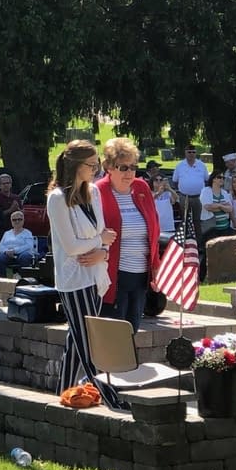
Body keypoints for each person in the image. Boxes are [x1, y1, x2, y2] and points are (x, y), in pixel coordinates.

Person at [46, 139, 121, 409]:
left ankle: (62, 395)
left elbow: (103, 237)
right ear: (77, 166)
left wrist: (102, 250)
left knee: (75, 344)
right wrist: (99, 242)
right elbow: (71, 246)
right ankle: (111, 399)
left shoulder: (93, 194)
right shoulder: (57, 199)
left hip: (95, 275)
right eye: (92, 165)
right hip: (74, 280)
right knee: (89, 340)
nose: (96, 170)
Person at [95, 138, 161, 333]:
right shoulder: (97, 191)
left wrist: (156, 268)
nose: (130, 173)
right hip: (113, 276)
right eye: (123, 168)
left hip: (140, 276)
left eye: (133, 167)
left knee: (132, 331)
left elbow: (154, 230)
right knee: (114, 336)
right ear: (109, 167)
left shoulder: (142, 188)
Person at [171, 144, 208, 227]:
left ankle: (198, 239)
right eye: (189, 152)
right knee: (185, 220)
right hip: (184, 197)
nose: (191, 154)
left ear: (196, 153)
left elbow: (206, 180)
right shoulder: (179, 166)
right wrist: (182, 191)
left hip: (199, 197)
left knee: (198, 220)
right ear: (185, 153)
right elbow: (175, 181)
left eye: (193, 152)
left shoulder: (202, 165)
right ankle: (186, 238)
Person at [0, 210, 36, 277]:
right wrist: (6, 251)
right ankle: (2, 280)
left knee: (25, 256)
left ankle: (22, 278)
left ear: (23, 220)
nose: (17, 221)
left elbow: (29, 246)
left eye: (19, 219)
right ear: (11, 222)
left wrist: (14, 250)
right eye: (14, 220)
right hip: (8, 255)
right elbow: (0, 246)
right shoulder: (7, 233)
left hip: (22, 254)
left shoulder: (27, 233)